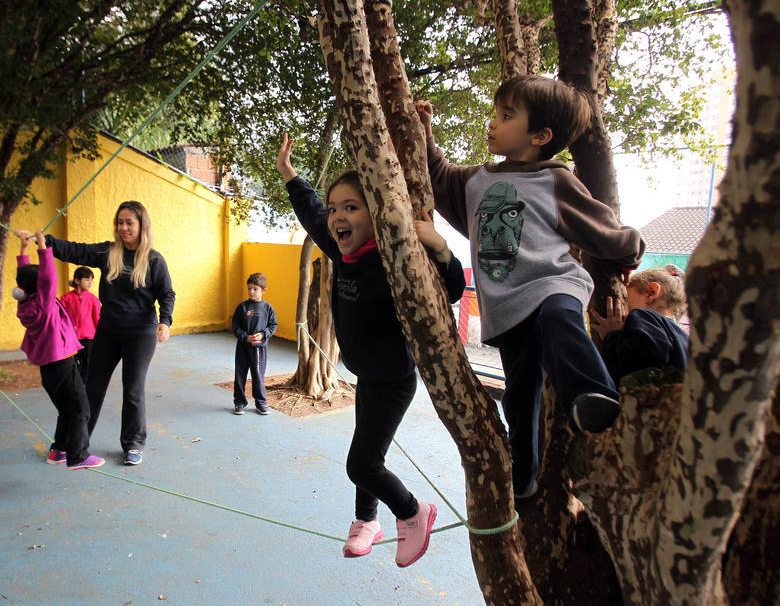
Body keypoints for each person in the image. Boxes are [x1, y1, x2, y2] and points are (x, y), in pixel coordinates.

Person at [416, 74, 645, 499]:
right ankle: (523, 479)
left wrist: (630, 251)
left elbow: (601, 227)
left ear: (540, 136)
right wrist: (425, 133)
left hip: (554, 283)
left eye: (507, 116)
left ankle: (593, 395)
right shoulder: (477, 180)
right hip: (507, 310)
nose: (493, 122)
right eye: (496, 113)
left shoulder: (555, 180)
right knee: (520, 397)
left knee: (560, 320)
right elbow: (438, 176)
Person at [277, 134, 466, 568]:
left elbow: (451, 289)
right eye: (335, 208)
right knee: (368, 453)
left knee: (361, 465)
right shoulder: (340, 250)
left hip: (393, 380)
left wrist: (439, 246)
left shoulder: (394, 260)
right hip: (367, 374)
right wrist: (289, 173)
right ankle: (366, 520)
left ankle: (414, 512)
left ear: (375, 214)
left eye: (351, 207)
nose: (338, 216)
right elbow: (310, 211)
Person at [44, 201, 175, 467]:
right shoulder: (108, 252)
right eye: (120, 222)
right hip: (108, 331)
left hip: (140, 333)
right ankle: (75, 445)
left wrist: (165, 321)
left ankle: (133, 444)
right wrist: (46, 242)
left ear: (141, 225)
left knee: (133, 389)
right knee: (91, 388)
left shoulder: (153, 260)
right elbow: (77, 251)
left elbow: (166, 293)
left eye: (129, 222)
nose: (123, 227)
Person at [13, 230, 104, 471]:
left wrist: (24, 249)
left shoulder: (25, 302)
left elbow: (24, 276)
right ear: (41, 287)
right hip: (62, 364)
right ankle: (78, 456)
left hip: (49, 369)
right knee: (81, 409)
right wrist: (43, 247)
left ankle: (58, 451)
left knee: (66, 409)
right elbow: (48, 277)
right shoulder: (43, 305)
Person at [590, 265, 689, 385]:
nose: (623, 307)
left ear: (651, 293)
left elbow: (647, 358)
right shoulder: (685, 339)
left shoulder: (644, 315)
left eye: (625, 297)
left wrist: (612, 335)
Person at [231, 273, 278, 416]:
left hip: (258, 349)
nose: (251, 292)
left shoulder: (268, 308)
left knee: (258, 375)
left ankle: (261, 403)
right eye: (249, 289)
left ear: (264, 291)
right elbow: (235, 326)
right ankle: (239, 402)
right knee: (240, 375)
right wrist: (245, 337)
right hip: (242, 347)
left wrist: (263, 334)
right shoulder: (242, 307)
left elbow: (273, 325)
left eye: (255, 289)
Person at [61, 266, 102, 382]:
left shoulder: (93, 299)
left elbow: (98, 318)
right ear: (77, 280)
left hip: (89, 338)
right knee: (73, 362)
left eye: (91, 280)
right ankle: (76, 382)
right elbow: (62, 317)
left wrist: (100, 336)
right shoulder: (65, 298)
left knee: (88, 362)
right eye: (87, 279)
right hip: (72, 337)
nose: (90, 282)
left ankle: (86, 384)